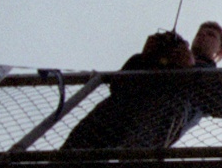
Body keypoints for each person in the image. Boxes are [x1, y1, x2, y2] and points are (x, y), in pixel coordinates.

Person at [60, 30, 197, 150]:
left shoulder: (187, 79)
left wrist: (188, 67)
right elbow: (118, 85)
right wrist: (146, 56)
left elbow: (188, 93)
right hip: (108, 119)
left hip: (145, 128)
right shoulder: (140, 61)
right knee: (74, 150)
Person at [167, 21, 222, 143]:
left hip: (166, 124)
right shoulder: (172, 62)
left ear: (221, 51)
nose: (202, 36)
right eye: (199, 34)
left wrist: (190, 69)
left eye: (211, 35)